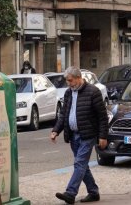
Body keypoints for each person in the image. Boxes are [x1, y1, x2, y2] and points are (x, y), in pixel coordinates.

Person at [50, 66, 108, 204]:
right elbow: (63, 114)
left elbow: (102, 116)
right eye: (67, 81)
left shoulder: (93, 92)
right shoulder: (68, 93)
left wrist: (103, 136)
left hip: (88, 134)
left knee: (79, 163)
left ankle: (70, 193)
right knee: (82, 166)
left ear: (78, 78)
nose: (68, 83)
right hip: (73, 135)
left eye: (70, 80)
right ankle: (93, 192)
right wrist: (55, 130)